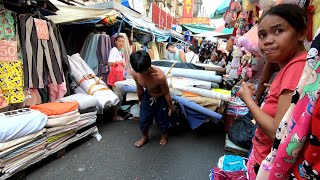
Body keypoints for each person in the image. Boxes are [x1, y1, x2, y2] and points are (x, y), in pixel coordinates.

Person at [237, 4, 308, 179]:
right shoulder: (293, 65)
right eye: (262, 35)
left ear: (301, 33)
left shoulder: (296, 67)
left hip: (269, 165)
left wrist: (248, 100)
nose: (267, 40)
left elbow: (278, 131)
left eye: (278, 31)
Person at [130, 50, 174, 148]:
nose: (142, 74)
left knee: (162, 120)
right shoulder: (135, 73)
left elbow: (166, 93)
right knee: (143, 119)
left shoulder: (160, 76)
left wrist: (171, 107)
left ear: (149, 65)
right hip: (147, 96)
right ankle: (145, 137)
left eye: (144, 71)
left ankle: (164, 135)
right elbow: (139, 88)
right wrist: (140, 100)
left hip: (161, 98)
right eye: (139, 72)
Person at [107, 35, 126, 121]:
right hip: (115, 79)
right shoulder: (114, 50)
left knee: (120, 96)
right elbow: (109, 63)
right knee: (117, 97)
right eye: (119, 41)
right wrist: (120, 62)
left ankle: (116, 113)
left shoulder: (120, 52)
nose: (121, 43)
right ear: (115, 42)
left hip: (119, 78)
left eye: (122, 41)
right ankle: (114, 116)